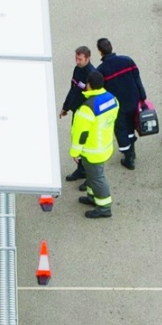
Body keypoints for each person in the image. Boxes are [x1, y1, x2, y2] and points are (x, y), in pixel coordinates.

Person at [70, 71, 118, 220]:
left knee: (97, 177)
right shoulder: (112, 99)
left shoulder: (87, 108)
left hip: (92, 149)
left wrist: (74, 152)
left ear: (89, 85)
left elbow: (80, 134)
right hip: (104, 144)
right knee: (92, 174)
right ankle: (92, 196)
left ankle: (104, 207)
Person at [96, 38, 147, 169]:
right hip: (133, 100)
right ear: (111, 47)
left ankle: (128, 157)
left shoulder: (101, 70)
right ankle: (132, 150)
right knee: (131, 125)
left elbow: (101, 92)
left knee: (121, 129)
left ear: (100, 52)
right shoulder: (127, 60)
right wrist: (142, 97)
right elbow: (137, 79)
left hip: (117, 106)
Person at [61, 45, 94, 179]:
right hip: (77, 112)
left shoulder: (92, 74)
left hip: (87, 113)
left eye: (80, 59)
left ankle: (88, 173)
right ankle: (81, 169)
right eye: (76, 58)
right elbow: (73, 90)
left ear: (88, 58)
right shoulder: (77, 69)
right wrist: (66, 107)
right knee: (76, 138)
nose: (77, 61)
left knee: (85, 142)